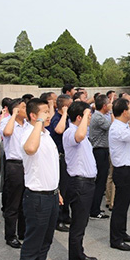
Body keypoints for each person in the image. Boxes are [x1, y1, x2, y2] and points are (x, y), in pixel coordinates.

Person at [19, 98, 63, 260]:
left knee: (46, 239)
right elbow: (30, 149)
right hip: (37, 197)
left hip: (51, 194)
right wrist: (38, 123)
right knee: (33, 241)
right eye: (44, 112)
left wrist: (57, 190)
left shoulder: (46, 134)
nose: (49, 114)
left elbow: (50, 165)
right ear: (33, 116)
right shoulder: (29, 133)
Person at [62, 101, 98, 260]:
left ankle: (80, 253)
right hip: (79, 183)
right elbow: (79, 136)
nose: (90, 119)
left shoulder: (80, 132)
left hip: (88, 183)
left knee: (82, 222)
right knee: (77, 224)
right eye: (87, 116)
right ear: (79, 117)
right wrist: (85, 115)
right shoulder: (71, 132)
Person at [108, 98, 130, 251]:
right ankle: (116, 239)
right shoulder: (117, 128)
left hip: (129, 170)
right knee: (120, 207)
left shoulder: (122, 125)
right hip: (124, 171)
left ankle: (122, 233)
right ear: (124, 112)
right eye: (129, 108)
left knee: (124, 205)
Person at [0, 98, 28, 248]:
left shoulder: (27, 125)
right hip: (14, 165)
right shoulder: (7, 121)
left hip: (27, 165)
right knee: (13, 203)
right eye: (23, 107)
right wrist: (13, 115)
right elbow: (7, 132)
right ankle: (10, 235)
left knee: (25, 201)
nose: (26, 109)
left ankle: (23, 231)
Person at [47, 94, 72, 232]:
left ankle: (65, 215)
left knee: (67, 189)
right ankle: (58, 219)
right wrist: (64, 113)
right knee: (61, 188)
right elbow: (59, 130)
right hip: (59, 157)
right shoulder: (57, 118)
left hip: (66, 157)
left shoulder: (66, 118)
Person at [89, 94, 112, 220]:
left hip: (101, 150)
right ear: (104, 106)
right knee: (100, 182)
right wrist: (113, 112)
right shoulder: (99, 117)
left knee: (101, 181)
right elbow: (112, 126)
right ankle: (94, 210)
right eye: (109, 103)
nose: (110, 105)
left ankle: (95, 207)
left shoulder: (99, 115)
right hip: (99, 151)